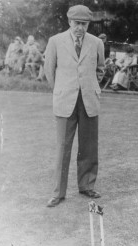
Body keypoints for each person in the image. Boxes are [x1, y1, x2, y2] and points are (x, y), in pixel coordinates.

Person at [44, 5, 105, 207]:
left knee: (89, 147)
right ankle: (58, 192)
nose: (80, 28)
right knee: (63, 147)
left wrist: (89, 86)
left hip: (88, 100)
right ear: (69, 22)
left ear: (88, 24)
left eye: (84, 24)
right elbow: (49, 70)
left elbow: (100, 69)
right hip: (64, 101)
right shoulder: (55, 41)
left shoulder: (96, 43)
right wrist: (60, 90)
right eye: (77, 23)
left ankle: (87, 185)